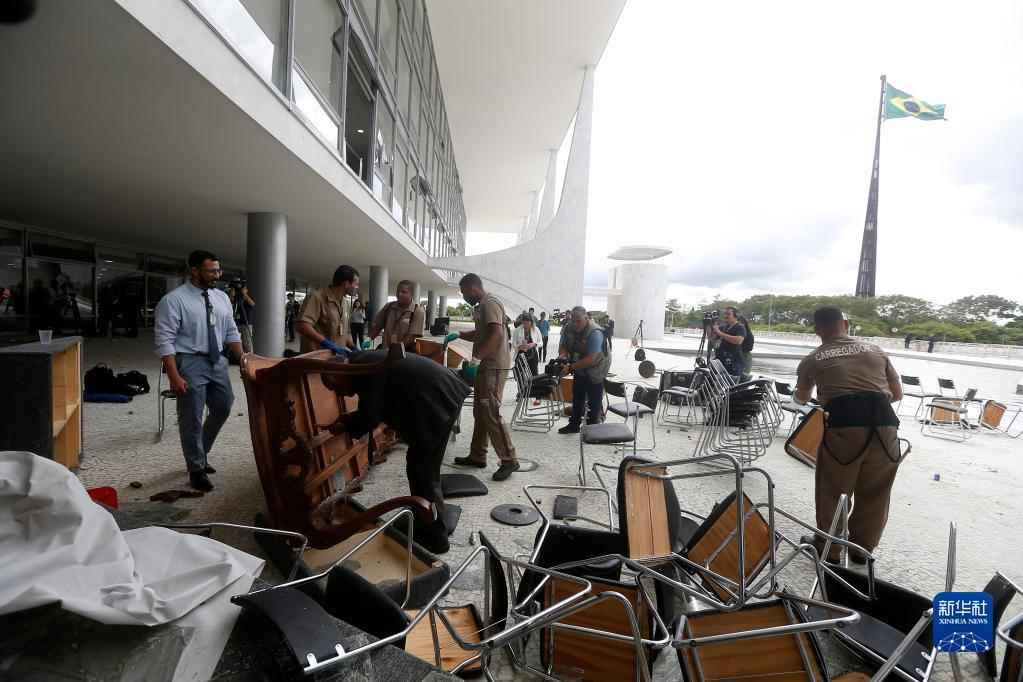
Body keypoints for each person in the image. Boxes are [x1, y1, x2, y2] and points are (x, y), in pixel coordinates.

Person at [794, 306, 904, 563]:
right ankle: (861, 549)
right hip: (886, 426)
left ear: (817, 329)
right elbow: (897, 394)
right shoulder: (876, 350)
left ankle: (830, 549)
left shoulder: (813, 359)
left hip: (845, 426)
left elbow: (801, 398)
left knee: (833, 489)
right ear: (845, 323)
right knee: (876, 491)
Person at [343, 350, 471, 554]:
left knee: (420, 469)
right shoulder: (362, 360)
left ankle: (435, 536)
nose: (343, 395)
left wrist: (344, 424)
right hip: (446, 391)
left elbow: (370, 416)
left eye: (336, 388)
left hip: (438, 399)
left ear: (338, 376)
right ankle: (430, 515)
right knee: (428, 467)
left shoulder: (363, 371)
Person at [154, 250, 243, 492]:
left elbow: (231, 331)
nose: (217, 275)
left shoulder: (221, 297)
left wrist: (244, 359)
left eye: (218, 270)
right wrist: (174, 375)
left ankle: (200, 454)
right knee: (191, 416)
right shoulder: (174, 300)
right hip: (189, 361)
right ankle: (196, 468)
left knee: (223, 406)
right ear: (194, 271)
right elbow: (164, 341)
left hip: (218, 361)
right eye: (211, 271)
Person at [452, 273, 519, 481]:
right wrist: (459, 335)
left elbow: (496, 335)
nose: (464, 297)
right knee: (480, 412)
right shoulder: (482, 306)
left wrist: (476, 359)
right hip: (486, 365)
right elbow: (482, 333)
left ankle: (509, 460)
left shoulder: (490, 303)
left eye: (464, 292)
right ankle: (478, 455)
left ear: (473, 288)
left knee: (490, 410)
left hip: (493, 366)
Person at [557, 306, 611, 434]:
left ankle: (592, 428)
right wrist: (563, 357)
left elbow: (592, 359)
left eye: (579, 321)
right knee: (577, 396)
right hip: (580, 365)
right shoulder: (568, 328)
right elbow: (563, 346)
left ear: (586, 318)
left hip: (597, 368)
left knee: (594, 399)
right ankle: (574, 425)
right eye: (573, 321)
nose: (576, 324)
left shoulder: (595, 333)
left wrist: (570, 367)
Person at [296, 265, 359, 355]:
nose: (357, 287)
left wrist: (353, 347)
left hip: (335, 358)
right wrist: (326, 343)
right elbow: (302, 325)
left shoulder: (345, 303)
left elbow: (345, 332)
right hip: (316, 358)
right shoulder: (317, 297)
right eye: (356, 284)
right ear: (346, 283)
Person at [369, 280, 425, 351]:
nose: (399, 294)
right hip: (385, 350)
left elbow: (410, 338)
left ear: (411, 294)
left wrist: (393, 350)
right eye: (397, 291)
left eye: (403, 292)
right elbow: (377, 327)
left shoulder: (417, 311)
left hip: (405, 353)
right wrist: (368, 340)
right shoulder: (389, 307)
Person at [712, 306, 746, 380]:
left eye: (728, 314)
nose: (725, 316)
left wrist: (719, 333)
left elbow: (738, 340)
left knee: (732, 384)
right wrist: (709, 325)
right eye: (725, 314)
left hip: (734, 363)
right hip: (721, 361)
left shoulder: (740, 327)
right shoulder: (723, 327)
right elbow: (712, 338)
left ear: (735, 316)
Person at [230, 283, 255, 353]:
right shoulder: (237, 298)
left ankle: (250, 356)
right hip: (237, 323)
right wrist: (232, 294)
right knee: (236, 341)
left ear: (247, 290)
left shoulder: (248, 297)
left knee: (247, 343)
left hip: (246, 323)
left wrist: (244, 294)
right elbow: (230, 303)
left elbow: (252, 304)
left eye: (244, 289)